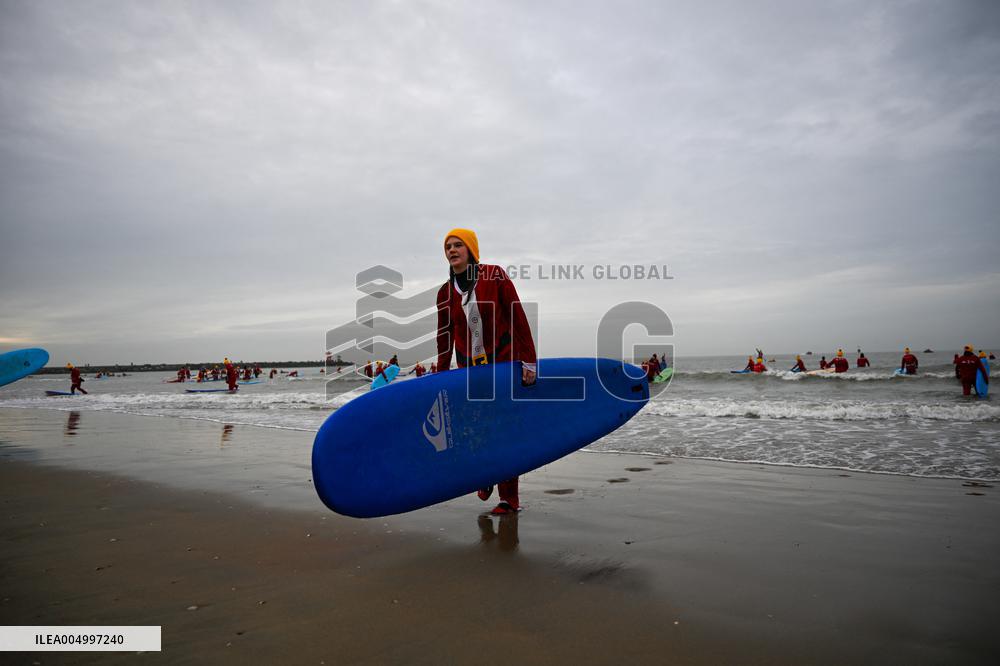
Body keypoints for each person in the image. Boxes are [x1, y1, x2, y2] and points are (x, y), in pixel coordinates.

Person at [436, 228, 536, 516]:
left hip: (502, 363)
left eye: (458, 245)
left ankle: (509, 499)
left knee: (503, 428)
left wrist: (529, 361)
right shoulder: (445, 292)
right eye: (448, 247)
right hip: (469, 370)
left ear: (471, 249)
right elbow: (444, 336)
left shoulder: (495, 276)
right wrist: (442, 372)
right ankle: (485, 475)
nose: (452, 250)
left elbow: (517, 315)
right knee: (477, 426)